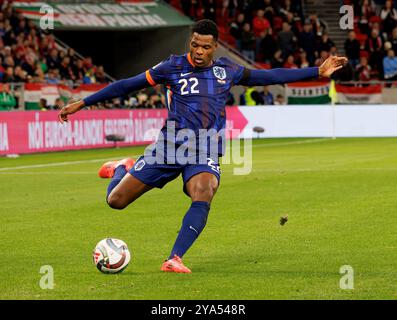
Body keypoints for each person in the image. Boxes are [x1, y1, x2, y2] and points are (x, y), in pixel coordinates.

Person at [58, 19, 347, 274]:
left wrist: (316, 71)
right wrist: (83, 103)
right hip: (169, 147)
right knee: (116, 202)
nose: (198, 51)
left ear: (215, 47)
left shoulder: (228, 71)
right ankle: (122, 168)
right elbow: (125, 85)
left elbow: (269, 76)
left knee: (205, 190)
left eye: (205, 47)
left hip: (204, 149)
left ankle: (174, 258)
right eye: (195, 45)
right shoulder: (171, 67)